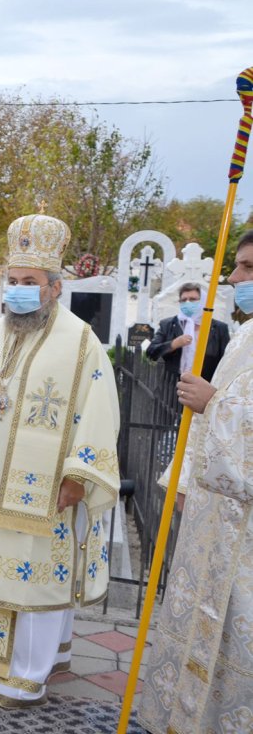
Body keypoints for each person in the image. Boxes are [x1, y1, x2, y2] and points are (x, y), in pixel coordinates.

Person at [0, 214, 120, 707]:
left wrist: (79, 476)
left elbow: (99, 411)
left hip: (42, 491)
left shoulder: (81, 343)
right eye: (11, 281)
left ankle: (22, 673)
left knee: (29, 576)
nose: (17, 291)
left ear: (54, 287)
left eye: (28, 283)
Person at [137, 230, 253, 733]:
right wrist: (182, 477)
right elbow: (205, 411)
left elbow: (215, 405)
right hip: (214, 520)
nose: (234, 278)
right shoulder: (247, 335)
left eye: (247, 268)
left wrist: (217, 406)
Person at [145, 281, 230, 381]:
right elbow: (151, 352)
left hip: (205, 383)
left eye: (193, 299)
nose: (188, 303)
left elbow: (226, 360)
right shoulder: (168, 325)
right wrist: (173, 344)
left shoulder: (219, 328)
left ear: (203, 301)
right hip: (172, 384)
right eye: (184, 300)